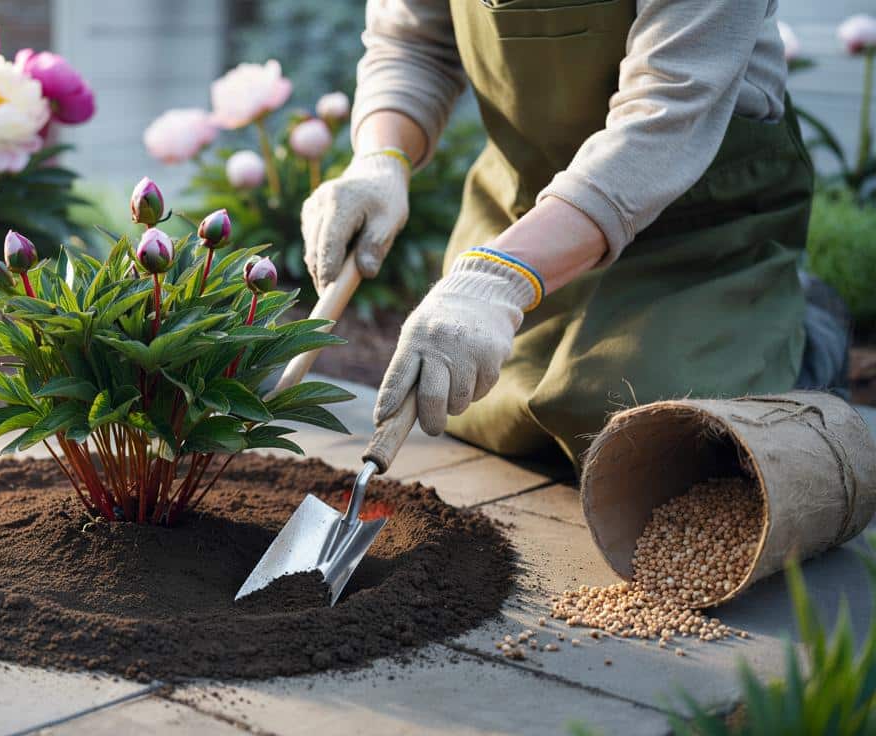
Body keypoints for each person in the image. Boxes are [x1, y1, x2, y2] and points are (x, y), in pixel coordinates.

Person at [301, 0, 849, 471]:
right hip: (530, 209)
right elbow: (412, 46)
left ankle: (803, 329)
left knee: (643, 439)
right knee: (484, 410)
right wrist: (381, 161)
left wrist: (495, 282)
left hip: (699, 214)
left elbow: (666, 113)